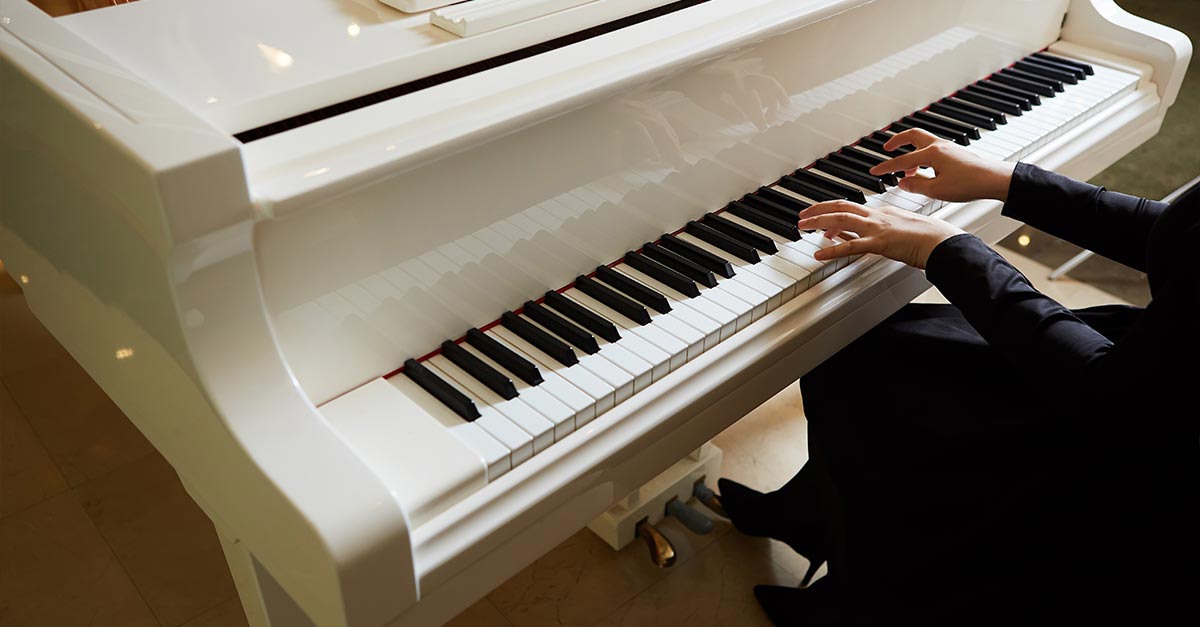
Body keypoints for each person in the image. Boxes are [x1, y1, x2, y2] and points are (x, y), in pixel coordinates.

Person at [716, 128, 1199, 626]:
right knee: (868, 348)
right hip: (1159, 359)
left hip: (1143, 436)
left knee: (864, 358)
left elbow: (1114, 401)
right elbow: (1183, 237)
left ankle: (862, 599)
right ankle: (812, 513)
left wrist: (947, 249)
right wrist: (1009, 181)